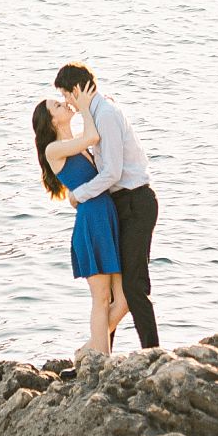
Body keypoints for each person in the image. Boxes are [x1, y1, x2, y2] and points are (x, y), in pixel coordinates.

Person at [53, 61, 159, 348]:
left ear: (76, 90)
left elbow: (111, 172)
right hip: (118, 205)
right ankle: (99, 353)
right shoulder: (96, 114)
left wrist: (79, 195)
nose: (66, 102)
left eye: (65, 95)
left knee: (134, 287)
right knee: (113, 294)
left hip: (136, 202)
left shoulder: (106, 115)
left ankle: (152, 353)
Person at [30, 93, 129, 355]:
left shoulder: (77, 144)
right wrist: (85, 107)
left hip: (107, 217)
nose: (63, 104)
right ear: (50, 121)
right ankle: (102, 360)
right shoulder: (54, 149)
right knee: (101, 299)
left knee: (124, 300)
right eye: (57, 105)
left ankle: (87, 351)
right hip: (91, 223)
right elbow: (93, 136)